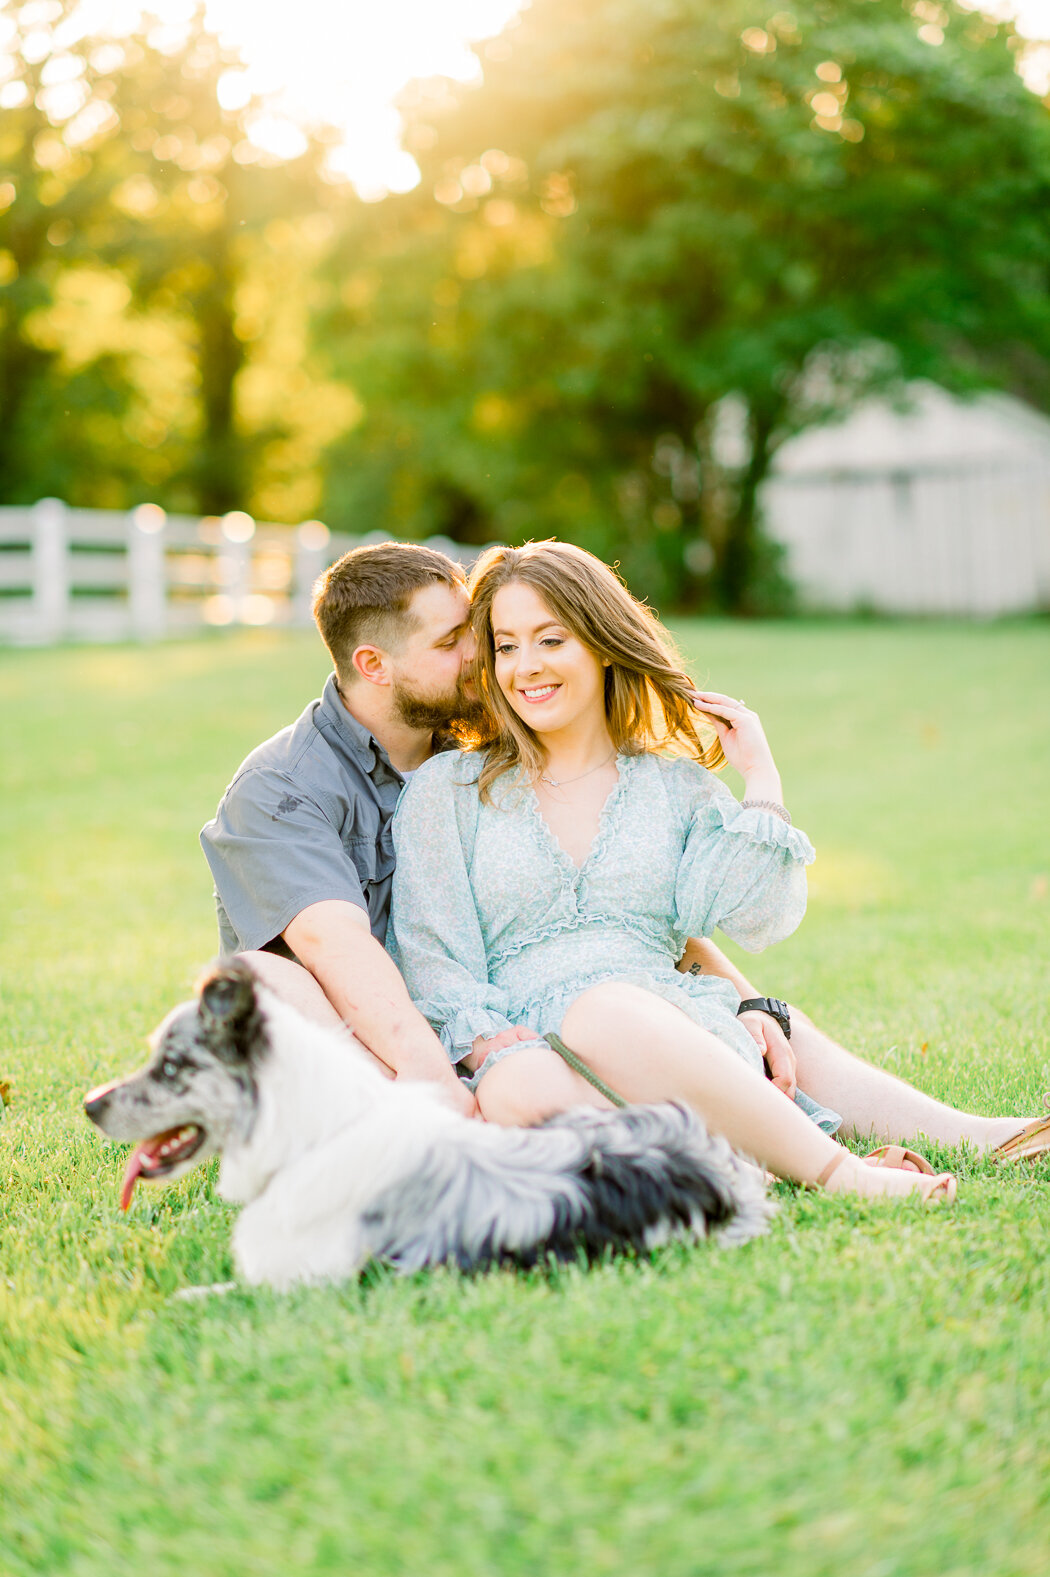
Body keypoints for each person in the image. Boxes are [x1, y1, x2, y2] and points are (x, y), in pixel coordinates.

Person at [201, 539, 1048, 1165]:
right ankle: (782, 1158)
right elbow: (344, 953)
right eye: (472, 641)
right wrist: (451, 1084)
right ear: (374, 665)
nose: (492, 659)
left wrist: (750, 1002)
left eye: (488, 634)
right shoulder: (289, 790)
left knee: (716, 1012)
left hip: (580, 1005)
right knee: (267, 982)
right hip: (404, 1030)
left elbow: (619, 902)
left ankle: (974, 1135)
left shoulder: (482, 732)